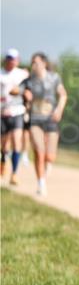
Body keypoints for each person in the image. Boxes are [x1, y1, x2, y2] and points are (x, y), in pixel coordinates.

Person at [23, 53, 67, 196]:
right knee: (39, 151)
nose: (33, 65)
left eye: (36, 62)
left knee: (50, 157)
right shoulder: (29, 80)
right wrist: (24, 94)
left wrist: (59, 110)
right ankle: (41, 183)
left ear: (44, 63)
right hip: (35, 119)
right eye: (32, 62)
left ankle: (48, 164)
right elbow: (17, 89)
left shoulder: (54, 77)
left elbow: (63, 95)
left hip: (51, 119)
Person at [1, 49, 29, 186]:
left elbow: (30, 87)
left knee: (17, 141)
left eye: (14, 59)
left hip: (18, 111)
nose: (11, 61)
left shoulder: (22, 74)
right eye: (9, 58)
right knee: (4, 145)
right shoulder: (1, 74)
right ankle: (3, 164)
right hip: (2, 112)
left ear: (17, 60)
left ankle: (14, 173)